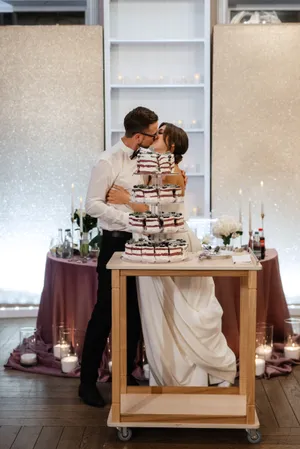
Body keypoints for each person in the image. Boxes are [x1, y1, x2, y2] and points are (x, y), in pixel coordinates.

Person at [107, 122, 237, 387]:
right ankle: (167, 373)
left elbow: (150, 208)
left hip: (175, 245)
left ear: (173, 145)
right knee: (161, 314)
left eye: (162, 133)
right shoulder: (154, 170)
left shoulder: (173, 174)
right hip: (152, 243)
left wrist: (125, 199)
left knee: (182, 309)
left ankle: (190, 375)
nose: (156, 135)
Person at [79, 106, 159, 407]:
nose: (154, 138)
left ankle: (124, 375)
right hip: (115, 244)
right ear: (138, 136)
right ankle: (86, 383)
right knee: (105, 315)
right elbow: (92, 205)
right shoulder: (106, 161)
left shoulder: (148, 159)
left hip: (142, 246)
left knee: (136, 314)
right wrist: (129, 220)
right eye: (152, 134)